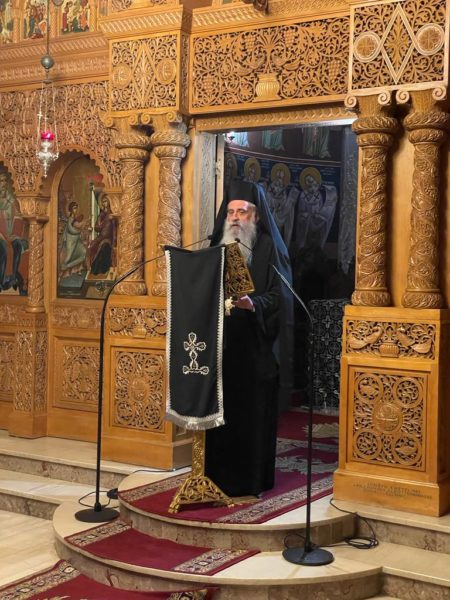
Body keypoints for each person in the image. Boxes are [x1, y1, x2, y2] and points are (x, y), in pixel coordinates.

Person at [205, 179, 293, 498]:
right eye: (230, 212)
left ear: (255, 216)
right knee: (222, 414)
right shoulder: (216, 246)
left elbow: (279, 296)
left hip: (256, 348)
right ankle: (216, 478)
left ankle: (251, 480)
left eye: (242, 212)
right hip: (221, 347)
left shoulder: (269, 247)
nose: (235, 218)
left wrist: (253, 304)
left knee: (251, 415)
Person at [0, 171, 28, 293]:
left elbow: (18, 217)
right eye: (1, 181)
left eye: (5, 181)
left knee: (18, 244)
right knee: (4, 247)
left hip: (8, 234)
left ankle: (13, 277)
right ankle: (2, 281)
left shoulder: (11, 201)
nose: (3, 184)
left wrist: (14, 234)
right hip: (0, 236)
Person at [88, 195, 116, 275]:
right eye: (103, 202)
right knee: (91, 247)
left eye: (106, 201)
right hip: (100, 237)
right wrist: (100, 222)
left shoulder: (112, 214)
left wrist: (114, 240)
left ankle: (99, 270)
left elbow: (115, 228)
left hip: (108, 238)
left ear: (109, 202)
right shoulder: (101, 215)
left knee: (104, 247)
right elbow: (97, 228)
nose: (104, 203)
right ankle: (92, 270)